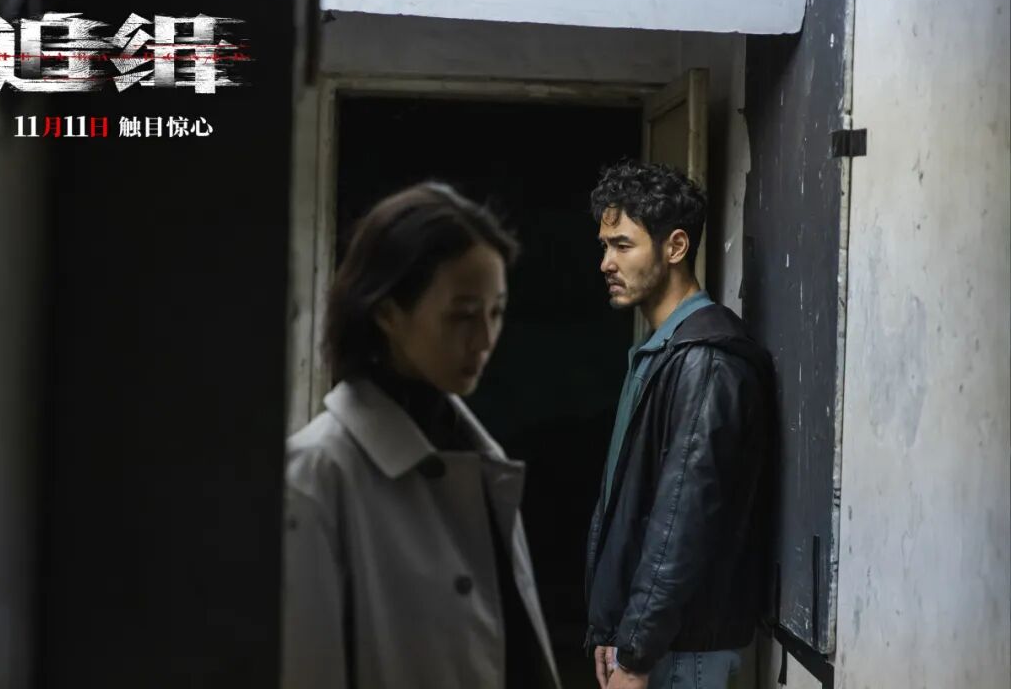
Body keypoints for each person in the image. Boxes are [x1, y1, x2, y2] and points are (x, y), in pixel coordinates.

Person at [283, 182, 561, 689]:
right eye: (463, 315)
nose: (485, 339)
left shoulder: (481, 461)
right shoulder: (316, 476)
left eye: (496, 312)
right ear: (388, 312)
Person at [583, 160, 773, 689]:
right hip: (654, 643)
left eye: (623, 245)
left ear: (675, 247)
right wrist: (612, 630)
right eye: (604, 246)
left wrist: (636, 652)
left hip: (680, 652)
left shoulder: (705, 361)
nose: (606, 262)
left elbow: (681, 522)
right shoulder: (664, 352)